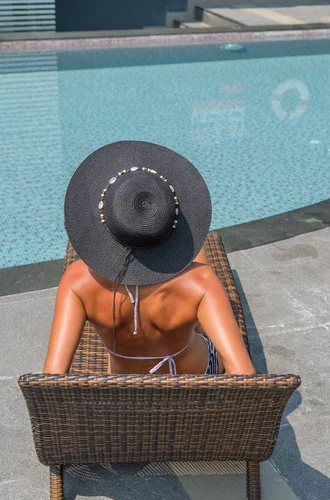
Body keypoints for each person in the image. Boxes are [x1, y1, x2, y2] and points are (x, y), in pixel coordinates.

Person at [43, 141, 255, 376]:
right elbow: (244, 374)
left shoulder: (77, 281)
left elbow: (52, 376)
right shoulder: (201, 281)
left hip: (123, 388)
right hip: (194, 379)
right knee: (196, 253)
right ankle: (188, 317)